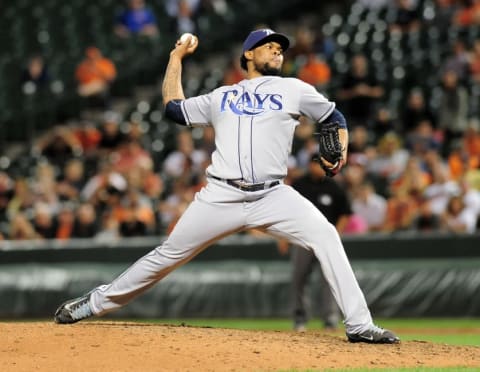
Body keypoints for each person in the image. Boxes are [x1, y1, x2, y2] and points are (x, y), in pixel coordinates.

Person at [54, 28, 399, 344]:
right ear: (249, 54)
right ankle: (94, 303)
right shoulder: (222, 95)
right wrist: (175, 59)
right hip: (221, 195)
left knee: (325, 235)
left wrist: (341, 148)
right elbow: (174, 109)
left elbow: (333, 117)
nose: (278, 52)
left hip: (272, 195)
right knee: (166, 255)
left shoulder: (294, 88)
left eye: (280, 48)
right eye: (270, 47)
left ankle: (359, 325)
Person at [284, 155, 351, 331]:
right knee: (299, 278)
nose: (317, 168)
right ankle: (300, 319)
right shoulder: (299, 185)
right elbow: (286, 212)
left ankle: (330, 319)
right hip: (302, 239)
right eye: (315, 164)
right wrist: (285, 237)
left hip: (325, 241)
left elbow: (345, 213)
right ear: (309, 165)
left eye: (320, 165)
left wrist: (335, 234)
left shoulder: (333, 186)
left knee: (329, 280)